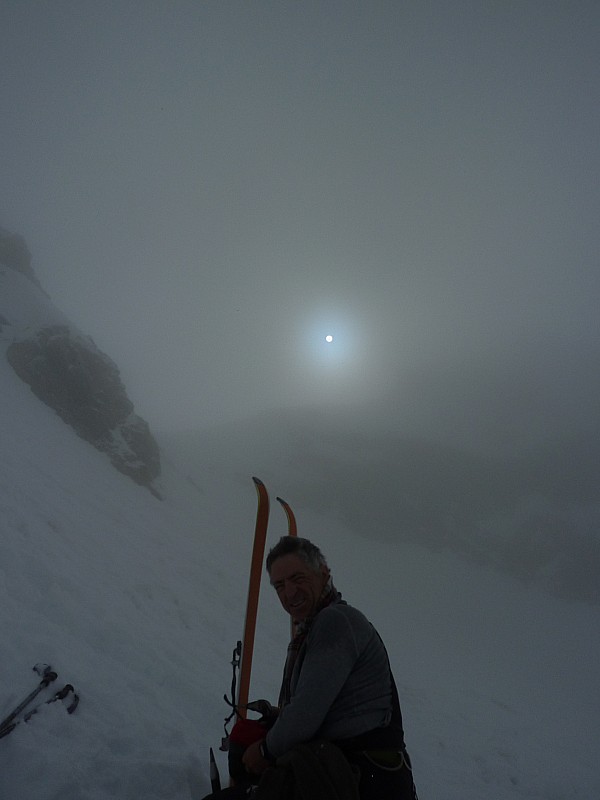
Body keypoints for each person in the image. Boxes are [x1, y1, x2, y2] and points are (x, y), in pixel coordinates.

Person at [234, 535, 418, 800]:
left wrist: (264, 750)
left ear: (323, 573)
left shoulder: (336, 621)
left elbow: (306, 714)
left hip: (358, 780)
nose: (289, 593)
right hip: (352, 775)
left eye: (298, 578)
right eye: (280, 586)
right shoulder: (317, 627)